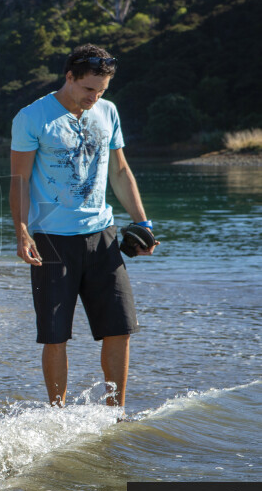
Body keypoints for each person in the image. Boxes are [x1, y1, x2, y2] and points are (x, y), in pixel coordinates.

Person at [9, 43, 159, 409]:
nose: (95, 97)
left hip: (102, 236)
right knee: (55, 336)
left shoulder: (108, 112)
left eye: (101, 90)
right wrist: (22, 230)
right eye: (89, 89)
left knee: (120, 328)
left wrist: (143, 223)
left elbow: (120, 172)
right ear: (69, 77)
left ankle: (115, 414)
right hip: (52, 240)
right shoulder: (32, 117)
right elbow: (19, 180)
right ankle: (57, 415)